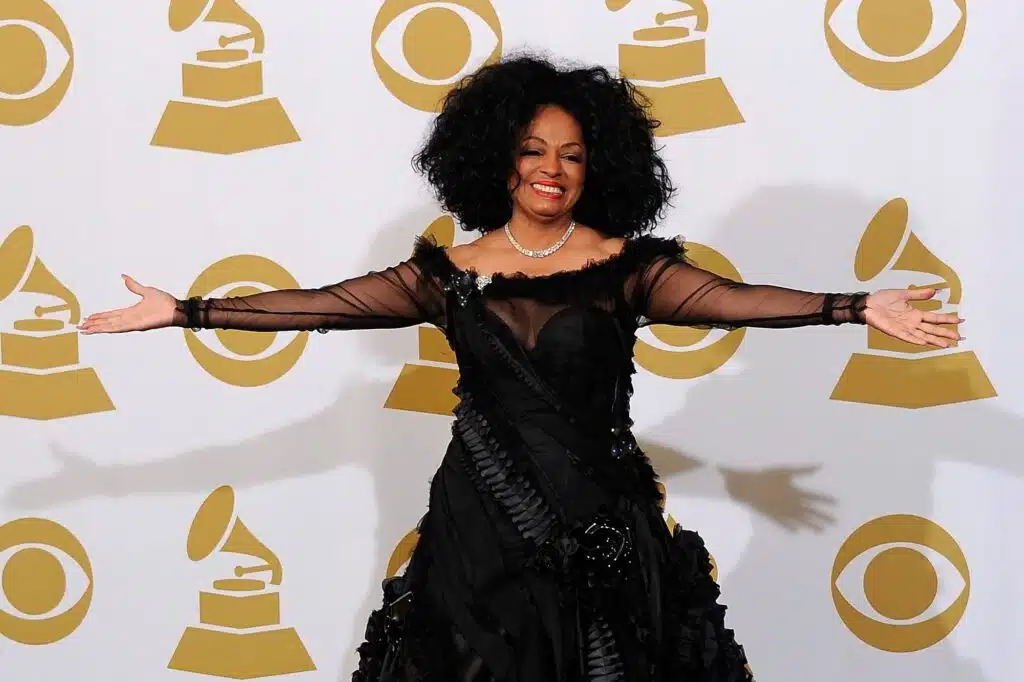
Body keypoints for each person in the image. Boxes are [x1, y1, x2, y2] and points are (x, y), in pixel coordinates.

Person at [80, 54, 961, 682]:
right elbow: (324, 303)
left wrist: (856, 307)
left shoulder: (629, 265)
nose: (552, 170)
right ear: (497, 156)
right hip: (481, 524)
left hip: (599, 526)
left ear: (599, 167)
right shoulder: (447, 270)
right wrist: (185, 311)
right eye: (535, 150)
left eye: (573, 155)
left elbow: (734, 300)